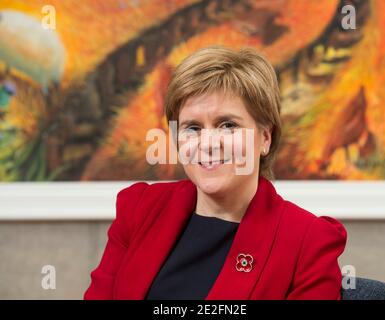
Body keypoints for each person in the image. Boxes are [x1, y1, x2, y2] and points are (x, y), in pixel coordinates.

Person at [84, 45, 347, 300]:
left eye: (227, 125)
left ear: (265, 138)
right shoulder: (140, 209)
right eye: (193, 128)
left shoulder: (308, 242)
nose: (208, 143)